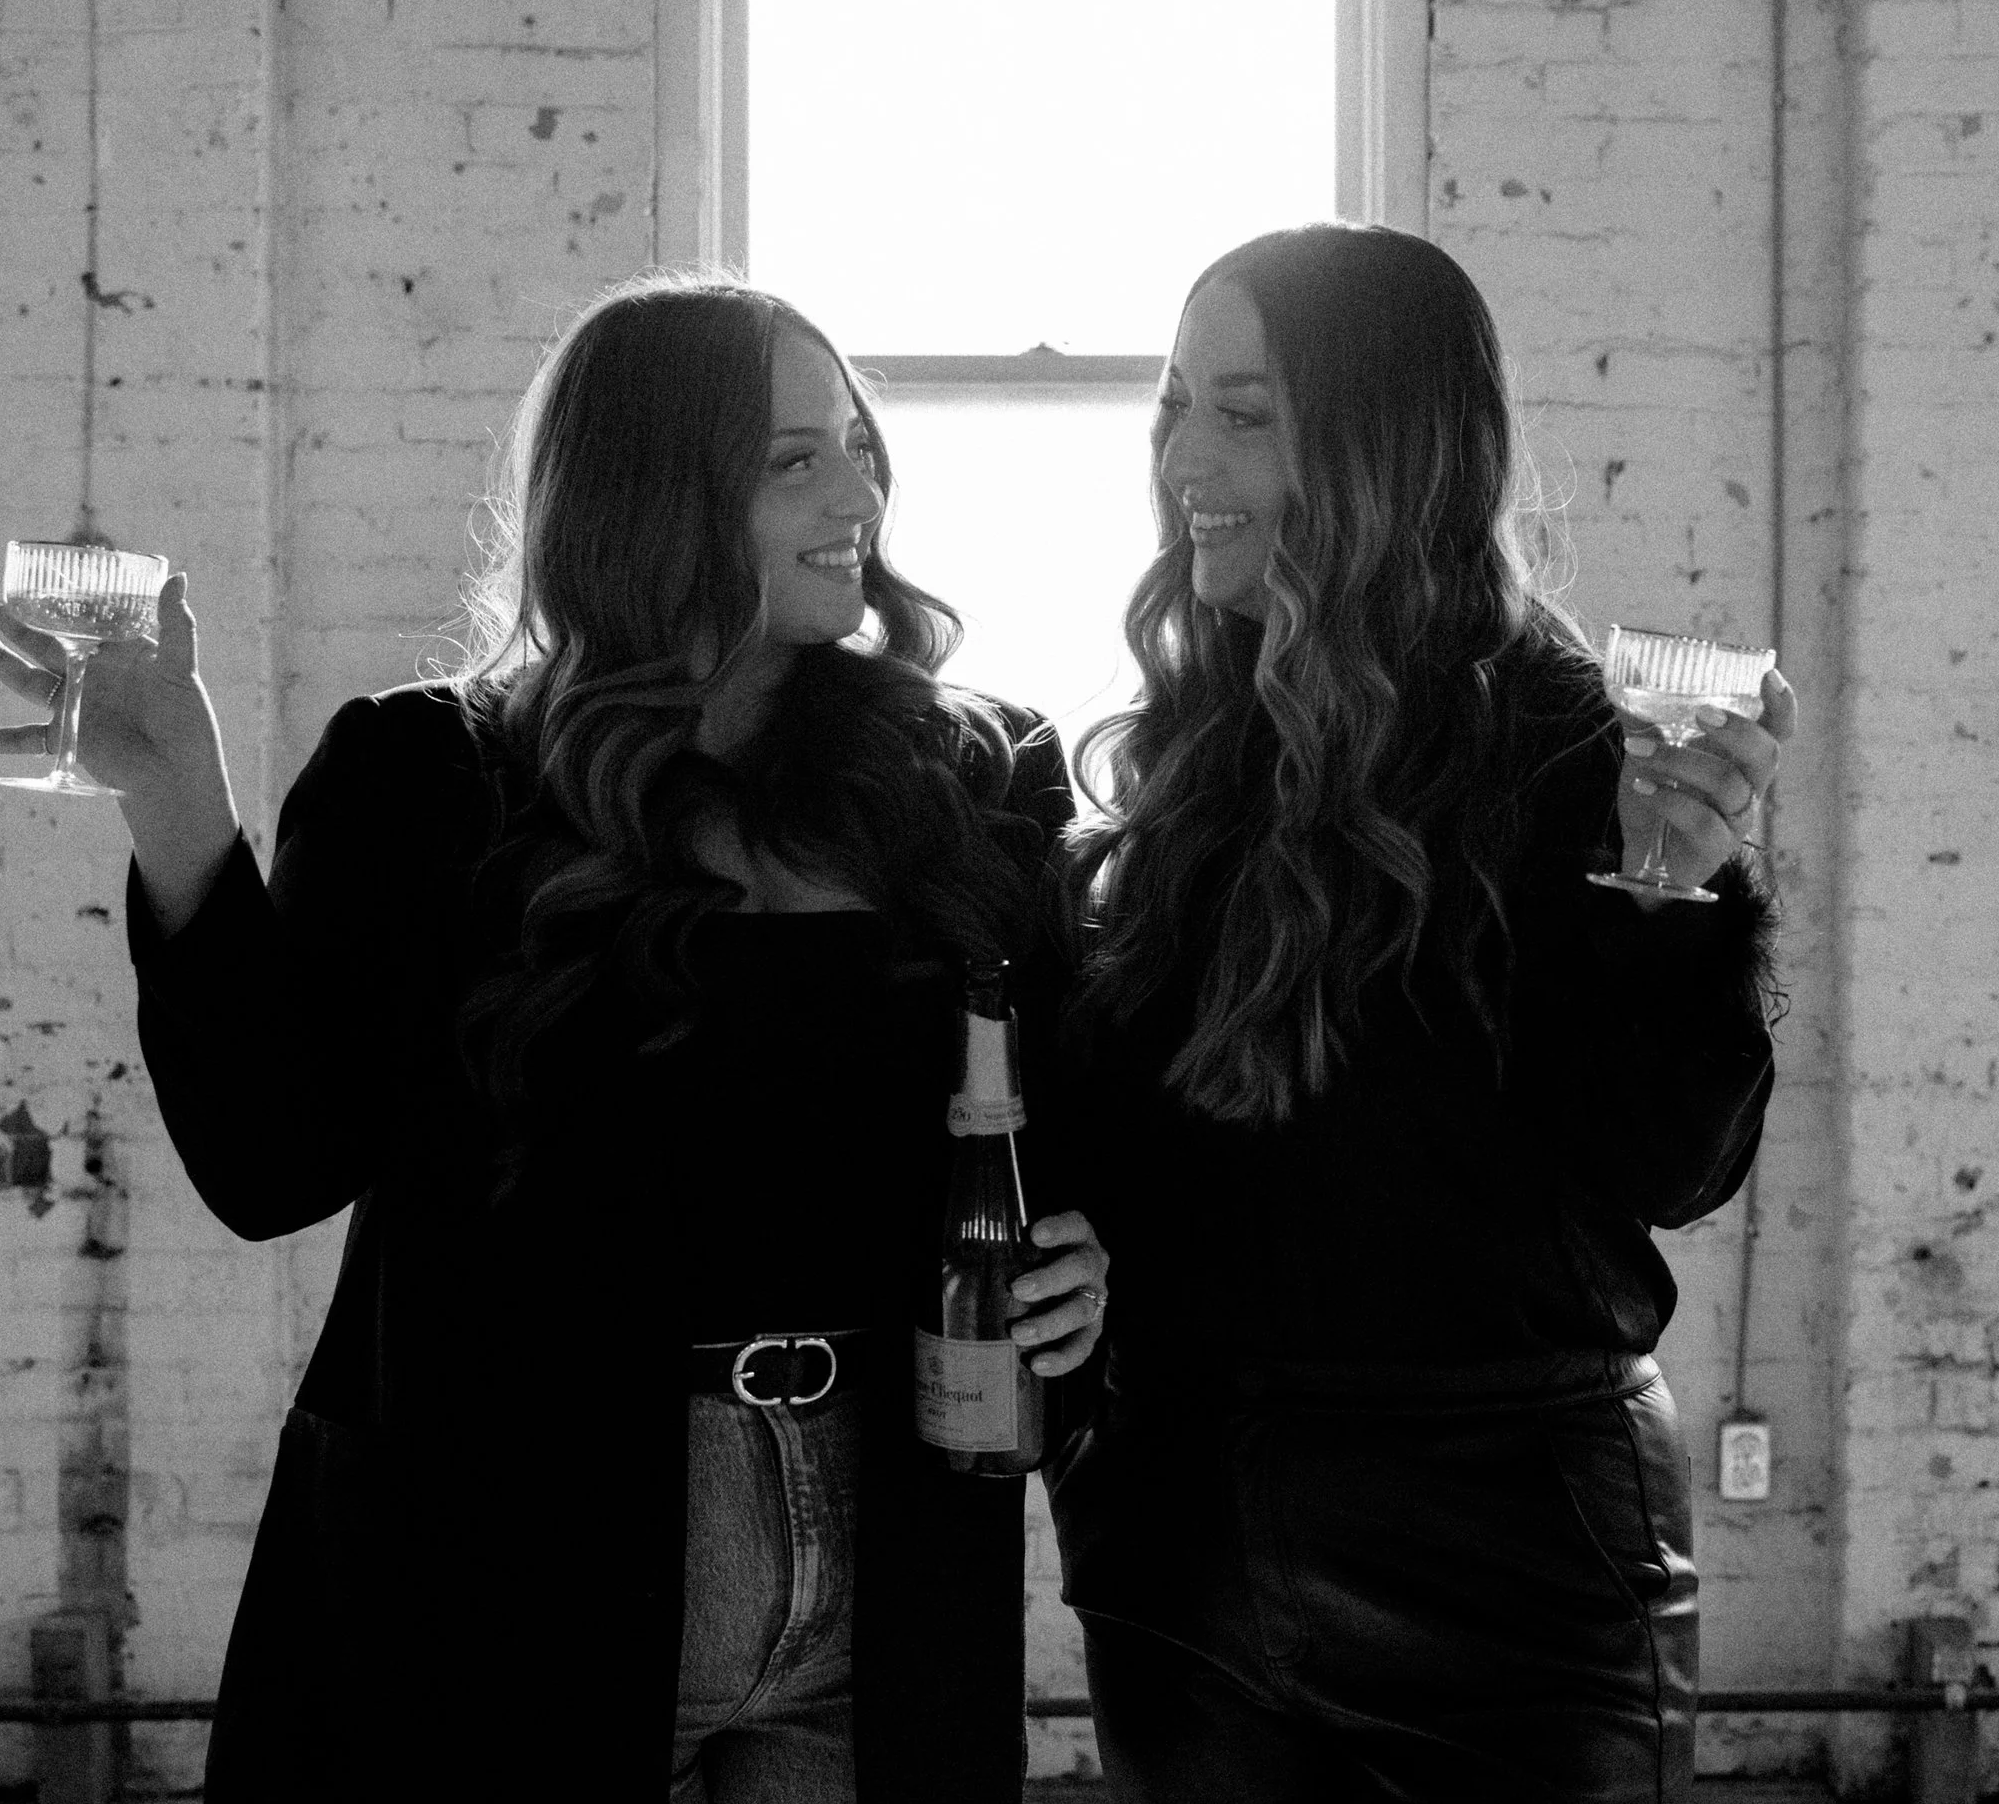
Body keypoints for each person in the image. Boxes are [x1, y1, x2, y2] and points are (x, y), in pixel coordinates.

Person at [0, 271, 1108, 1803]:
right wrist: (177, 797)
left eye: (856, 443)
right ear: (650, 495)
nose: (858, 489)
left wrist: (1082, 1255)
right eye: (793, 457)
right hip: (505, 1565)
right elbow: (272, 1160)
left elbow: (1072, 1139)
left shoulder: (977, 775)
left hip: (885, 1552)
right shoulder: (430, 777)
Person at [1049, 223, 1793, 1804]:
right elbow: (1126, 1138)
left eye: (1243, 412)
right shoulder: (1183, 755)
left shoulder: (1583, 741)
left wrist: (1683, 891)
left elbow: (1669, 1163)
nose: (1184, 455)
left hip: (1510, 1548)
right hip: (1186, 1532)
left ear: (1385, 443)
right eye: (1174, 404)